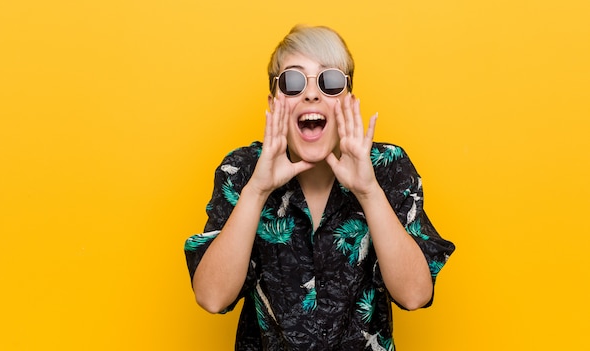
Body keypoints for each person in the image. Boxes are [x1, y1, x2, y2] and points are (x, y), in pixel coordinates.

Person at [184, 24, 455, 350]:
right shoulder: (243, 171)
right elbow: (212, 298)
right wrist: (257, 191)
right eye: (293, 82)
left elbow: (414, 295)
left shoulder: (387, 166)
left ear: (349, 101)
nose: (311, 94)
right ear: (273, 103)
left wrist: (368, 191)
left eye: (329, 81)